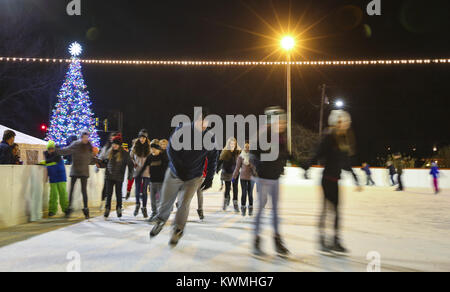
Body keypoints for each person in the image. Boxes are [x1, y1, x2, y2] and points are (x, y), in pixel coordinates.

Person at [150, 109, 218, 247]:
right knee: (166, 201)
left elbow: (213, 158)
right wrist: (178, 166)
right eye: (202, 122)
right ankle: (160, 221)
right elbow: (170, 149)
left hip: (193, 177)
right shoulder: (183, 129)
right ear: (196, 120)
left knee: (184, 204)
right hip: (175, 172)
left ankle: (177, 230)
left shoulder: (210, 138)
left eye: (207, 123)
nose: (204, 126)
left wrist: (210, 177)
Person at [303, 110, 361, 254]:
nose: (344, 125)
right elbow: (318, 153)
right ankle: (322, 239)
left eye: (345, 123)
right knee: (326, 210)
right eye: (341, 122)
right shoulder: (329, 137)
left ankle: (335, 240)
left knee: (336, 211)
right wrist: (307, 167)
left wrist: (355, 177)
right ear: (335, 122)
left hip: (336, 180)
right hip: (326, 180)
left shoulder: (343, 140)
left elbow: (345, 162)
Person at [250, 107, 290, 257]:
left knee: (275, 211)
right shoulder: (263, 133)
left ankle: (277, 240)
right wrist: (259, 170)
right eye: (279, 120)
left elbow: (284, 153)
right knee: (261, 209)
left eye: (283, 121)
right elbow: (253, 154)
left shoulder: (282, 135)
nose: (281, 124)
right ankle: (256, 239)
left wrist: (282, 166)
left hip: (275, 179)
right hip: (263, 179)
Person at [56, 130, 97, 219]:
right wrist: (58, 150)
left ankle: (85, 208)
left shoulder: (89, 146)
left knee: (84, 191)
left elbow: (91, 158)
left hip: (84, 172)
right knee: (72, 190)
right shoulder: (76, 144)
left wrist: (97, 161)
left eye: (87, 137)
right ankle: (69, 208)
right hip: (75, 170)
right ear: (81, 137)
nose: (85, 139)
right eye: (84, 137)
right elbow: (67, 150)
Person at [99, 134, 134, 219]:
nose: (114, 145)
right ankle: (107, 209)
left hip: (119, 177)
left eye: (116, 144)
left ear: (119, 145)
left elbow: (131, 165)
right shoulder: (109, 152)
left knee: (118, 194)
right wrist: (100, 163)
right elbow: (105, 162)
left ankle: (118, 208)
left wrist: (130, 175)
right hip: (109, 176)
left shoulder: (124, 154)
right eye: (113, 144)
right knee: (109, 194)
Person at [140, 139, 168, 221]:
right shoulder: (150, 157)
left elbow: (167, 168)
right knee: (153, 199)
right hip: (152, 181)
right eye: (151, 148)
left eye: (154, 148)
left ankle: (160, 214)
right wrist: (139, 174)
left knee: (159, 199)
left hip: (161, 181)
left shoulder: (163, 156)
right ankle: (154, 213)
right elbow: (145, 166)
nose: (152, 150)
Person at [40, 141, 69, 217]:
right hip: (52, 177)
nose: (51, 150)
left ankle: (66, 209)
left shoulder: (58, 154)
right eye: (49, 149)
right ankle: (52, 210)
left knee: (63, 193)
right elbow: (47, 164)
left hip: (61, 176)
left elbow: (50, 162)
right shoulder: (46, 154)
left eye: (52, 149)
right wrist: (46, 176)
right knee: (53, 195)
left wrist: (42, 162)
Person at [130, 129, 151, 218]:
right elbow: (130, 157)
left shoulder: (149, 148)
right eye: (141, 137)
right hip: (138, 170)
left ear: (146, 138)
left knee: (144, 190)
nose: (142, 139)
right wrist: (133, 163)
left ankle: (144, 208)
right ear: (138, 138)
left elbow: (151, 158)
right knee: (137, 190)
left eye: (144, 138)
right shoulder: (135, 147)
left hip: (146, 171)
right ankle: (137, 205)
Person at [217, 137, 241, 212]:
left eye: (233, 144)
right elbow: (220, 161)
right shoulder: (225, 152)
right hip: (227, 173)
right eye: (231, 144)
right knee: (227, 188)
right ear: (228, 144)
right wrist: (217, 169)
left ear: (235, 144)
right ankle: (226, 201)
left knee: (235, 188)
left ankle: (235, 204)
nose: (232, 145)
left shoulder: (238, 152)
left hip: (235, 174)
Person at [233, 141, 256, 216]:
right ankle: (243, 208)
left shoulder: (252, 157)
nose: (247, 149)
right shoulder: (240, 157)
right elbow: (237, 168)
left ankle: (250, 208)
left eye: (248, 147)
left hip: (251, 178)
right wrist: (234, 177)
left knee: (250, 193)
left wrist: (251, 164)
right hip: (243, 177)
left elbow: (255, 168)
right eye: (246, 147)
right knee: (243, 192)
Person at [99, 132, 118, 210]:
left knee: (117, 188)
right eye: (111, 137)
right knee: (106, 187)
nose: (111, 139)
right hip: (108, 169)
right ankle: (103, 203)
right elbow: (101, 156)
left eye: (113, 137)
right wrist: (98, 164)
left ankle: (119, 204)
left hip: (116, 170)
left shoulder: (118, 147)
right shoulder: (106, 147)